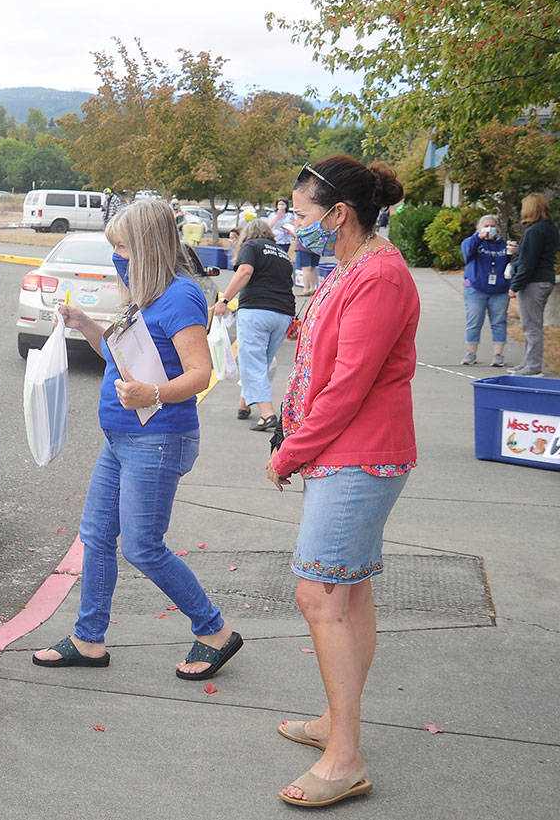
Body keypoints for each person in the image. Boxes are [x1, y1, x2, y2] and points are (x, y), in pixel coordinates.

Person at [33, 199, 242, 680]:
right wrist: (85, 325)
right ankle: (88, 640)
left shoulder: (182, 296)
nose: (116, 255)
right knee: (98, 537)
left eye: (122, 246)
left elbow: (199, 373)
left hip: (158, 438)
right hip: (123, 437)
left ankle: (215, 630)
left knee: (143, 546)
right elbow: (121, 358)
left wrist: (154, 393)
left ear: (146, 247)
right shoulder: (146, 295)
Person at [266, 156, 417, 808]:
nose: (292, 223)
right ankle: (338, 721)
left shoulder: (379, 274)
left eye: (301, 213)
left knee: (320, 594)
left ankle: (345, 754)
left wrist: (289, 450)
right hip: (344, 452)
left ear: (338, 215)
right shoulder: (352, 265)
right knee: (348, 595)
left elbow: (349, 386)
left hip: (360, 455)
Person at [212, 219, 294, 430]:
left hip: (257, 310)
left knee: (253, 364)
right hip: (283, 314)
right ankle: (244, 405)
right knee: (261, 362)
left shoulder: (251, 246)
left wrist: (224, 300)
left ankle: (268, 414)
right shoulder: (283, 254)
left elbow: (244, 272)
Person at [508, 193, 558, 376]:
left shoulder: (535, 231)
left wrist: (515, 285)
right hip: (544, 279)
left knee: (531, 326)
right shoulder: (549, 228)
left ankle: (533, 366)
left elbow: (529, 262)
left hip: (533, 282)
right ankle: (528, 362)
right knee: (532, 325)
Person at [460, 214, 513, 367]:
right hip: (476, 289)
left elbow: (513, 265)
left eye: (493, 226)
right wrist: (479, 237)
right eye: (486, 226)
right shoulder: (473, 242)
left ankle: (498, 355)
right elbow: (467, 253)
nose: (490, 229)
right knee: (474, 321)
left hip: (500, 290)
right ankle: (471, 353)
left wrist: (514, 254)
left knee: (499, 322)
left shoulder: (504, 245)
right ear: (479, 228)